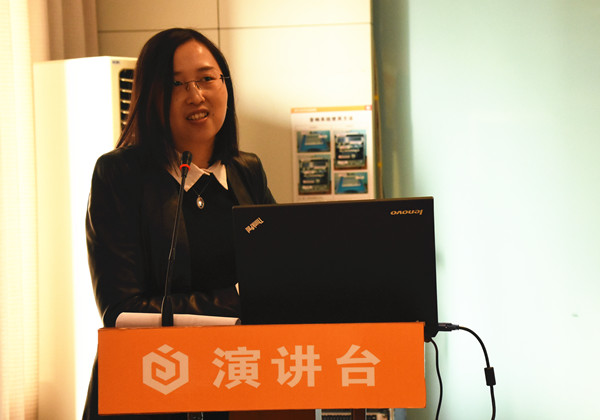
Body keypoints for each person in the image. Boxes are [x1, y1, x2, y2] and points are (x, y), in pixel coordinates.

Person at [82, 28, 275, 420]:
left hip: (236, 382)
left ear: (225, 84)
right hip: (150, 387)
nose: (196, 95)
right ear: (150, 96)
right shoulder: (119, 175)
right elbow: (122, 310)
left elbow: (279, 272)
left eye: (206, 78)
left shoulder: (247, 171)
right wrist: (238, 298)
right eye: (176, 84)